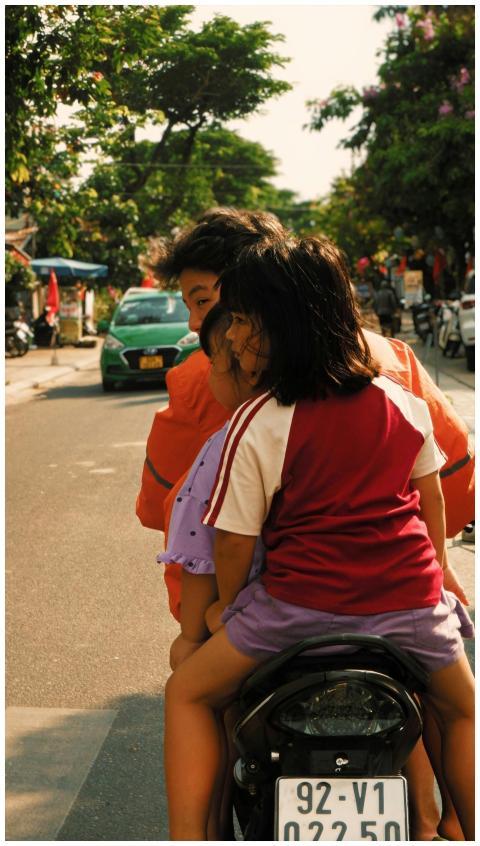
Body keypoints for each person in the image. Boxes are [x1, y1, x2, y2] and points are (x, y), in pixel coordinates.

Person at [137, 207, 472, 839]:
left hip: (294, 612)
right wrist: (440, 575)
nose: (225, 335)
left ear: (271, 323)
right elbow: (441, 493)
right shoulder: (400, 390)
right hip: (409, 608)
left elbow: (213, 533)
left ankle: (191, 836)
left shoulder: (249, 412)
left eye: (234, 316)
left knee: (187, 691)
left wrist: (228, 610)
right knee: (460, 711)